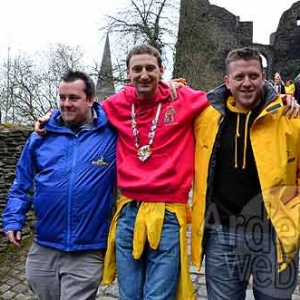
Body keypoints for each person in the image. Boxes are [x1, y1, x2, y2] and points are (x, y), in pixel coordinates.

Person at [192, 47, 300, 300]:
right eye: (239, 77)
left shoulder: (289, 117)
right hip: (222, 233)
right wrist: (173, 85)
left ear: (264, 77)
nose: (247, 83)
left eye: (253, 76)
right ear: (227, 82)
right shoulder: (206, 117)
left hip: (274, 234)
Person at [2, 70, 117, 300]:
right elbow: (21, 183)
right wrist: (14, 218)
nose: (66, 104)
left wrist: (169, 88)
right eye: (62, 98)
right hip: (44, 245)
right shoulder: (40, 137)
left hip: (87, 248)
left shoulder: (112, 135)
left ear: (91, 99)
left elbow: (142, 98)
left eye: (73, 98)